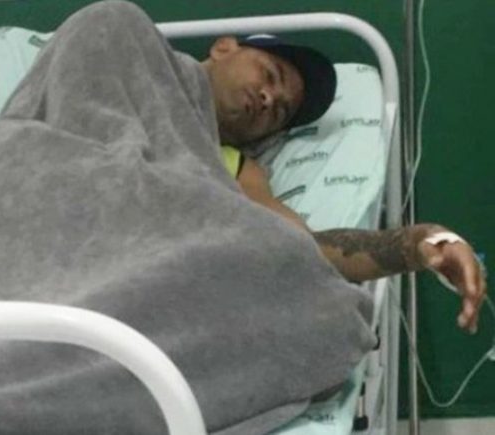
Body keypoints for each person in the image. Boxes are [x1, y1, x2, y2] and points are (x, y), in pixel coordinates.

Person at [200, 33, 487, 334]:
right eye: (269, 75)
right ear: (223, 48)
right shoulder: (161, 73)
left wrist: (422, 242)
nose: (268, 99)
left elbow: (306, 248)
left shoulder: (237, 170)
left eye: (279, 113)